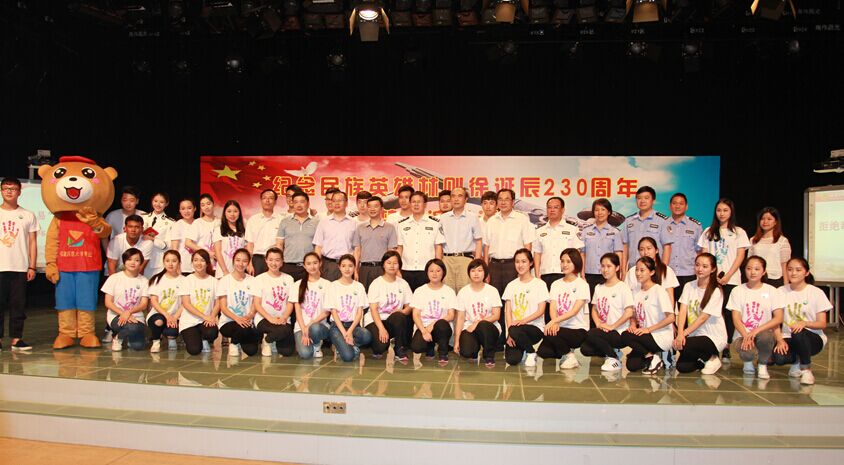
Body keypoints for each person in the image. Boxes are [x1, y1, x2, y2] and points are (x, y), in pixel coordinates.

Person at [698, 198, 749, 361]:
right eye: (719, 210)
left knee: (728, 313)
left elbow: (740, 256)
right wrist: (711, 275)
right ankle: (712, 344)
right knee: (712, 312)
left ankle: (726, 346)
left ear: (731, 212)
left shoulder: (739, 232)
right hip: (711, 280)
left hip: (731, 279)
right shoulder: (708, 232)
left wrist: (727, 276)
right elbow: (704, 255)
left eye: (725, 210)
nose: (722, 213)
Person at [483, 188, 535, 346]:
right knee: (496, 303)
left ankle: (514, 337)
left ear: (513, 202)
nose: (503, 202)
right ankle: (499, 340)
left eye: (507, 199)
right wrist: (486, 270)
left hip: (514, 266)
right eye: (500, 199)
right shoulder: (491, 221)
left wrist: (524, 268)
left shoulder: (522, 219)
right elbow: (486, 247)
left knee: (514, 303)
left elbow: (528, 244)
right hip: (494, 266)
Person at [771, 257, 831, 385]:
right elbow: (776, 320)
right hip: (788, 336)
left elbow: (822, 323)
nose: (793, 273)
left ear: (806, 272)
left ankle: (806, 369)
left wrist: (804, 323)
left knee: (798, 333)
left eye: (798, 270)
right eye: (790, 269)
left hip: (812, 338)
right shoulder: (780, 291)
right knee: (779, 358)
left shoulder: (816, 293)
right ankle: (797, 361)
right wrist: (780, 340)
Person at [728, 256, 784, 380]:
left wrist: (756, 331)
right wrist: (746, 335)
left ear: (763, 272)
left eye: (757, 269)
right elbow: (736, 318)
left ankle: (762, 364)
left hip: (763, 333)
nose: (752, 272)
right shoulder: (737, 290)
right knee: (747, 352)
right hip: (742, 335)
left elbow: (778, 318)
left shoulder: (772, 291)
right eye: (749, 268)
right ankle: (747, 362)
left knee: (766, 337)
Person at [0, 177, 38, 352]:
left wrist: (32, 266)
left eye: (13, 188)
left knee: (18, 305)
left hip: (20, 267)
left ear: (19, 192)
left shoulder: (28, 215)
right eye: (5, 188)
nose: (9, 191)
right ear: (1, 191)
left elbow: (32, 242)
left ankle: (17, 339)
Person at [673, 253, 727, 375]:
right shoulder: (689, 286)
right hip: (694, 335)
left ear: (713, 269)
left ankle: (712, 357)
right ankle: (703, 359)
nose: (700, 269)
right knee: (682, 367)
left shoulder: (716, 290)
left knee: (684, 344)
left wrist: (683, 334)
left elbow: (703, 318)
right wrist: (680, 333)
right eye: (697, 265)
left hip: (712, 337)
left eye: (705, 266)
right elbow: (682, 311)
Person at [580, 253, 634, 372]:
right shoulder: (599, 287)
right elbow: (594, 309)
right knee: (585, 349)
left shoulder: (623, 287)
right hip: (604, 330)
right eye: (603, 266)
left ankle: (614, 358)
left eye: (609, 266)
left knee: (591, 334)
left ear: (617, 267)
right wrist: (598, 324)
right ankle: (612, 351)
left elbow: (629, 312)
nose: (605, 270)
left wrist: (612, 326)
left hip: (619, 332)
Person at [536, 249, 590, 369]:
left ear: (576, 263)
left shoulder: (582, 285)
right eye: (562, 261)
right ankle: (565, 350)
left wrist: (554, 322)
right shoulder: (556, 284)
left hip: (577, 330)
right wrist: (554, 322)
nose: (564, 264)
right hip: (559, 328)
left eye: (568, 261)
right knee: (544, 352)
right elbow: (552, 307)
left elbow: (574, 311)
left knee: (550, 333)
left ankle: (570, 356)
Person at [533, 197, 584, 322]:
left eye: (556, 207)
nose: (552, 210)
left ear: (562, 210)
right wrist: (537, 275)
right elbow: (537, 254)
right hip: (546, 275)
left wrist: (580, 274)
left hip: (566, 276)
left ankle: (564, 332)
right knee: (547, 309)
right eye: (549, 207)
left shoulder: (572, 229)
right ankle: (549, 331)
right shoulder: (540, 231)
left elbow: (578, 253)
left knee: (565, 306)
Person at [622, 257, 676, 374]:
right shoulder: (636, 292)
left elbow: (671, 317)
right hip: (645, 335)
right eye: (637, 270)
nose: (638, 273)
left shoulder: (659, 290)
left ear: (651, 272)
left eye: (642, 270)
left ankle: (655, 356)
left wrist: (648, 329)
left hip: (659, 336)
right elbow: (634, 314)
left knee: (625, 336)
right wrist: (633, 324)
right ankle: (651, 356)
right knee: (632, 366)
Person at [501, 249, 549, 367]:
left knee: (516, 329)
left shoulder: (539, 284)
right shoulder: (511, 285)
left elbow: (541, 310)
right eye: (517, 262)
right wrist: (510, 334)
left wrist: (523, 321)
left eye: (524, 261)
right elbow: (508, 312)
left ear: (531, 263)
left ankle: (531, 352)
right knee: (512, 360)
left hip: (534, 328)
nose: (520, 265)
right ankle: (523, 348)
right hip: (515, 330)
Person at [365, 250, 413, 360]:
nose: (392, 266)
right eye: (389, 262)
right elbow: (373, 310)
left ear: (399, 265)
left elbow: (409, 306)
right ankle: (376, 342)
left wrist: (403, 311)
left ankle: (399, 348)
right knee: (380, 347)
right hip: (375, 320)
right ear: (383, 265)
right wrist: (381, 329)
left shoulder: (403, 283)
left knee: (400, 316)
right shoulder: (376, 283)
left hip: (393, 320)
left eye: (395, 263)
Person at [454, 259, 502, 367]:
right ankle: (474, 349)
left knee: (483, 325)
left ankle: (489, 355)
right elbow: (460, 318)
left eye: (479, 270)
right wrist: (457, 341)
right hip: (470, 327)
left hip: (489, 327)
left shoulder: (492, 290)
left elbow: (496, 315)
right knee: (466, 352)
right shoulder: (463, 292)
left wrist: (477, 323)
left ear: (485, 273)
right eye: (473, 270)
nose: (476, 273)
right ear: (469, 273)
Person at [251, 247, 296, 357]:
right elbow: (257, 304)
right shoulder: (259, 279)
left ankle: (272, 338)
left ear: (282, 261)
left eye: (277, 260)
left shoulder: (289, 279)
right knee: (282, 331)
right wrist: (270, 318)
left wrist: (284, 317)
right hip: (264, 318)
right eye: (270, 260)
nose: (274, 263)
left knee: (287, 352)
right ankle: (267, 341)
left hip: (283, 319)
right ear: (266, 260)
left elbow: (290, 302)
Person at [101, 248, 149, 352]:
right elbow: (108, 302)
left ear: (141, 263)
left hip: (136, 317)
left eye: (137, 260)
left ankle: (125, 336)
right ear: (124, 261)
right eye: (129, 259)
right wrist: (123, 313)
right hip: (116, 315)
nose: (133, 263)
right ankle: (118, 337)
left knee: (138, 346)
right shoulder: (114, 278)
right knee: (132, 328)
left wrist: (129, 312)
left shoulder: (144, 281)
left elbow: (144, 304)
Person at [326, 254, 372, 362]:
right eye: (344, 266)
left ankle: (349, 344)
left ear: (355, 267)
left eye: (350, 266)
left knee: (367, 336)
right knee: (348, 357)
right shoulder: (333, 286)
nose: (347, 269)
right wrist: (344, 333)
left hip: (353, 325)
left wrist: (350, 331)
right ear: (339, 267)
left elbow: (359, 312)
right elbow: (333, 312)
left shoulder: (359, 286)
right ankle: (342, 346)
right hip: (337, 326)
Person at [410, 258, 457, 364]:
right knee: (417, 347)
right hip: (424, 327)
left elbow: (451, 315)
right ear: (427, 273)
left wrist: (433, 324)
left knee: (442, 324)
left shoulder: (449, 291)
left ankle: (443, 352)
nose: (434, 274)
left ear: (443, 272)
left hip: (442, 327)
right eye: (431, 271)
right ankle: (429, 347)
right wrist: (424, 331)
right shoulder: (420, 291)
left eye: (438, 270)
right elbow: (416, 314)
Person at [396, 191, 445, 291]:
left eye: (419, 202)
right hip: (406, 269)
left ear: (425, 204)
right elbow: (400, 248)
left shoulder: (435, 223)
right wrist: (397, 269)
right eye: (413, 202)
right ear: (410, 204)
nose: (416, 204)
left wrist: (438, 268)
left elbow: (438, 247)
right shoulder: (402, 224)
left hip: (427, 270)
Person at [217, 248, 260, 358]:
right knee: (242, 328)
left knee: (252, 351)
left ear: (248, 263)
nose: (241, 264)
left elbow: (255, 303)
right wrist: (237, 319)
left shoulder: (253, 280)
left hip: (247, 321)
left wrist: (249, 316)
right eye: (238, 260)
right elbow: (223, 307)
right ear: (233, 261)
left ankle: (240, 339)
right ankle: (234, 343)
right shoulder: (224, 280)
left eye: (244, 261)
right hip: (229, 322)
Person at [439, 186, 483, 293]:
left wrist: (477, 263)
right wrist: (439, 263)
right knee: (447, 294)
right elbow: (439, 242)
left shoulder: (473, 217)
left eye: (460, 196)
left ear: (466, 199)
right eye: (453, 196)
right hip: (447, 260)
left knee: (466, 293)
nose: (456, 199)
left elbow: (478, 241)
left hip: (465, 260)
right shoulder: (443, 218)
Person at [621, 186, 672, 274]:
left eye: (646, 198)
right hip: (633, 270)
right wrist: (623, 271)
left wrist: (662, 270)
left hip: (654, 270)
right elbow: (625, 247)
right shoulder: (629, 220)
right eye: (639, 198)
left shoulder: (662, 220)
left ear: (653, 201)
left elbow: (667, 247)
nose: (642, 201)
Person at [178, 250, 219, 356]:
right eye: (195, 260)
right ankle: (194, 338)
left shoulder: (214, 281)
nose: (199, 263)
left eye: (202, 260)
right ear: (192, 262)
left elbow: (217, 303)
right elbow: (186, 304)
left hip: (206, 321)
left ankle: (205, 339)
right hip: (189, 321)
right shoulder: (187, 280)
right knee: (194, 350)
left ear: (207, 263)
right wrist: (204, 316)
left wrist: (212, 316)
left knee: (212, 333)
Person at [581, 198, 623, 300]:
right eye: (596, 210)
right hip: (589, 275)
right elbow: (582, 254)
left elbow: (618, 254)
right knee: (591, 304)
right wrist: (582, 273)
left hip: (608, 274)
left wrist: (618, 272)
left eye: (603, 209)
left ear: (609, 212)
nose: (599, 213)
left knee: (607, 304)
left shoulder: (615, 232)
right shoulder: (586, 231)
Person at [353, 196, 398, 291]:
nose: (372, 209)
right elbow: (357, 251)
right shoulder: (360, 228)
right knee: (364, 296)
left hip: (382, 269)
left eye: (376, 206)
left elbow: (391, 252)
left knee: (383, 296)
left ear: (382, 209)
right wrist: (355, 270)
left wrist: (391, 271)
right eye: (369, 206)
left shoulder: (389, 227)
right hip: (364, 269)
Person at [291, 252, 331, 359]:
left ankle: (317, 345)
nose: (312, 266)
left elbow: (327, 311)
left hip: (319, 326)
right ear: (304, 266)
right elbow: (298, 311)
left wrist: (309, 325)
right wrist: (304, 329)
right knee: (305, 354)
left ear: (320, 263)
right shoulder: (297, 285)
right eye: (308, 264)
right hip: (301, 327)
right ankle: (308, 345)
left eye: (315, 263)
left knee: (315, 328)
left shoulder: (327, 284)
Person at [312, 191, 356, 281]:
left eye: (340, 200)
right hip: (328, 265)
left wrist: (355, 269)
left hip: (347, 266)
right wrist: (317, 267)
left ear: (346, 203)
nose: (336, 203)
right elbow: (318, 247)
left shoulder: (354, 223)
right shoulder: (324, 222)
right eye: (334, 201)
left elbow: (357, 249)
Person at [276, 191, 319, 282]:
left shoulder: (316, 222)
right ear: (292, 204)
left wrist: (317, 265)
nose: (299, 205)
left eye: (302, 202)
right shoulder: (285, 221)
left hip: (309, 267)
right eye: (296, 202)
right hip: (287, 265)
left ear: (308, 203)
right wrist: (279, 261)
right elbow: (279, 244)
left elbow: (318, 246)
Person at [624, 237, 679, 307]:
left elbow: (670, 298)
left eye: (649, 248)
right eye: (641, 249)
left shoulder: (666, 270)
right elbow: (627, 296)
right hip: (637, 310)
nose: (646, 252)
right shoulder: (632, 271)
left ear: (656, 250)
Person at [146, 250, 184, 353]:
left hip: (176, 315)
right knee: (159, 321)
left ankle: (171, 337)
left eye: (174, 261)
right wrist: (167, 315)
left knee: (172, 331)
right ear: (163, 262)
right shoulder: (157, 279)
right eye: (167, 261)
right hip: (159, 314)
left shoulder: (184, 280)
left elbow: (185, 303)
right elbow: (154, 301)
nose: (170, 264)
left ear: (179, 263)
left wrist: (175, 317)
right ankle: (156, 341)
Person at [665, 193, 702, 293]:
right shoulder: (663, 224)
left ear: (686, 206)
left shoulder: (695, 225)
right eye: (674, 203)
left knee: (688, 302)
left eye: (681, 203)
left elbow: (699, 251)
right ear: (670, 206)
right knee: (668, 302)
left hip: (689, 273)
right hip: (668, 273)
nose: (677, 206)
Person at [246, 189, 285, 276]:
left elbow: (281, 244)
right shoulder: (253, 220)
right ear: (261, 200)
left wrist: (279, 261)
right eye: (264, 198)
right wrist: (249, 263)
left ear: (275, 201)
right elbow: (250, 244)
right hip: (257, 260)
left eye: (270, 198)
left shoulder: (281, 220)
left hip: (274, 260)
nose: (267, 200)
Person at [749, 207, 792, 288]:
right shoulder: (753, 240)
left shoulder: (782, 241)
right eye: (762, 219)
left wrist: (786, 283)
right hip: (757, 279)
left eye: (769, 219)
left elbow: (784, 264)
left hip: (775, 280)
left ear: (775, 222)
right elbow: (750, 261)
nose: (765, 222)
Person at [142, 192, 175, 279]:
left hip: (157, 261)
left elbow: (168, 245)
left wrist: (153, 239)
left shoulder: (170, 222)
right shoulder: (143, 217)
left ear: (166, 204)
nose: (158, 204)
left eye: (161, 202)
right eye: (155, 201)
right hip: (141, 258)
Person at [213, 200, 247, 278]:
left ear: (239, 213)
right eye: (229, 211)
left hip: (239, 272)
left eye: (235, 211)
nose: (232, 214)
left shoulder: (243, 231)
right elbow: (218, 252)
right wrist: (225, 271)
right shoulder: (218, 230)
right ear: (224, 213)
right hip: (223, 272)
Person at [185, 193, 219, 271]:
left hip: (218, 264)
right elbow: (188, 242)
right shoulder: (197, 222)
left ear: (213, 204)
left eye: (208, 204)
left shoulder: (220, 222)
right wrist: (207, 253)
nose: (206, 207)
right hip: (201, 264)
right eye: (203, 205)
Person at [168, 198, 197, 275]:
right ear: (180, 211)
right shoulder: (177, 225)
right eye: (183, 209)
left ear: (194, 208)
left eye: (189, 208)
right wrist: (177, 266)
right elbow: (174, 249)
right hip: (183, 266)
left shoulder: (199, 223)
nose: (186, 211)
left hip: (199, 266)